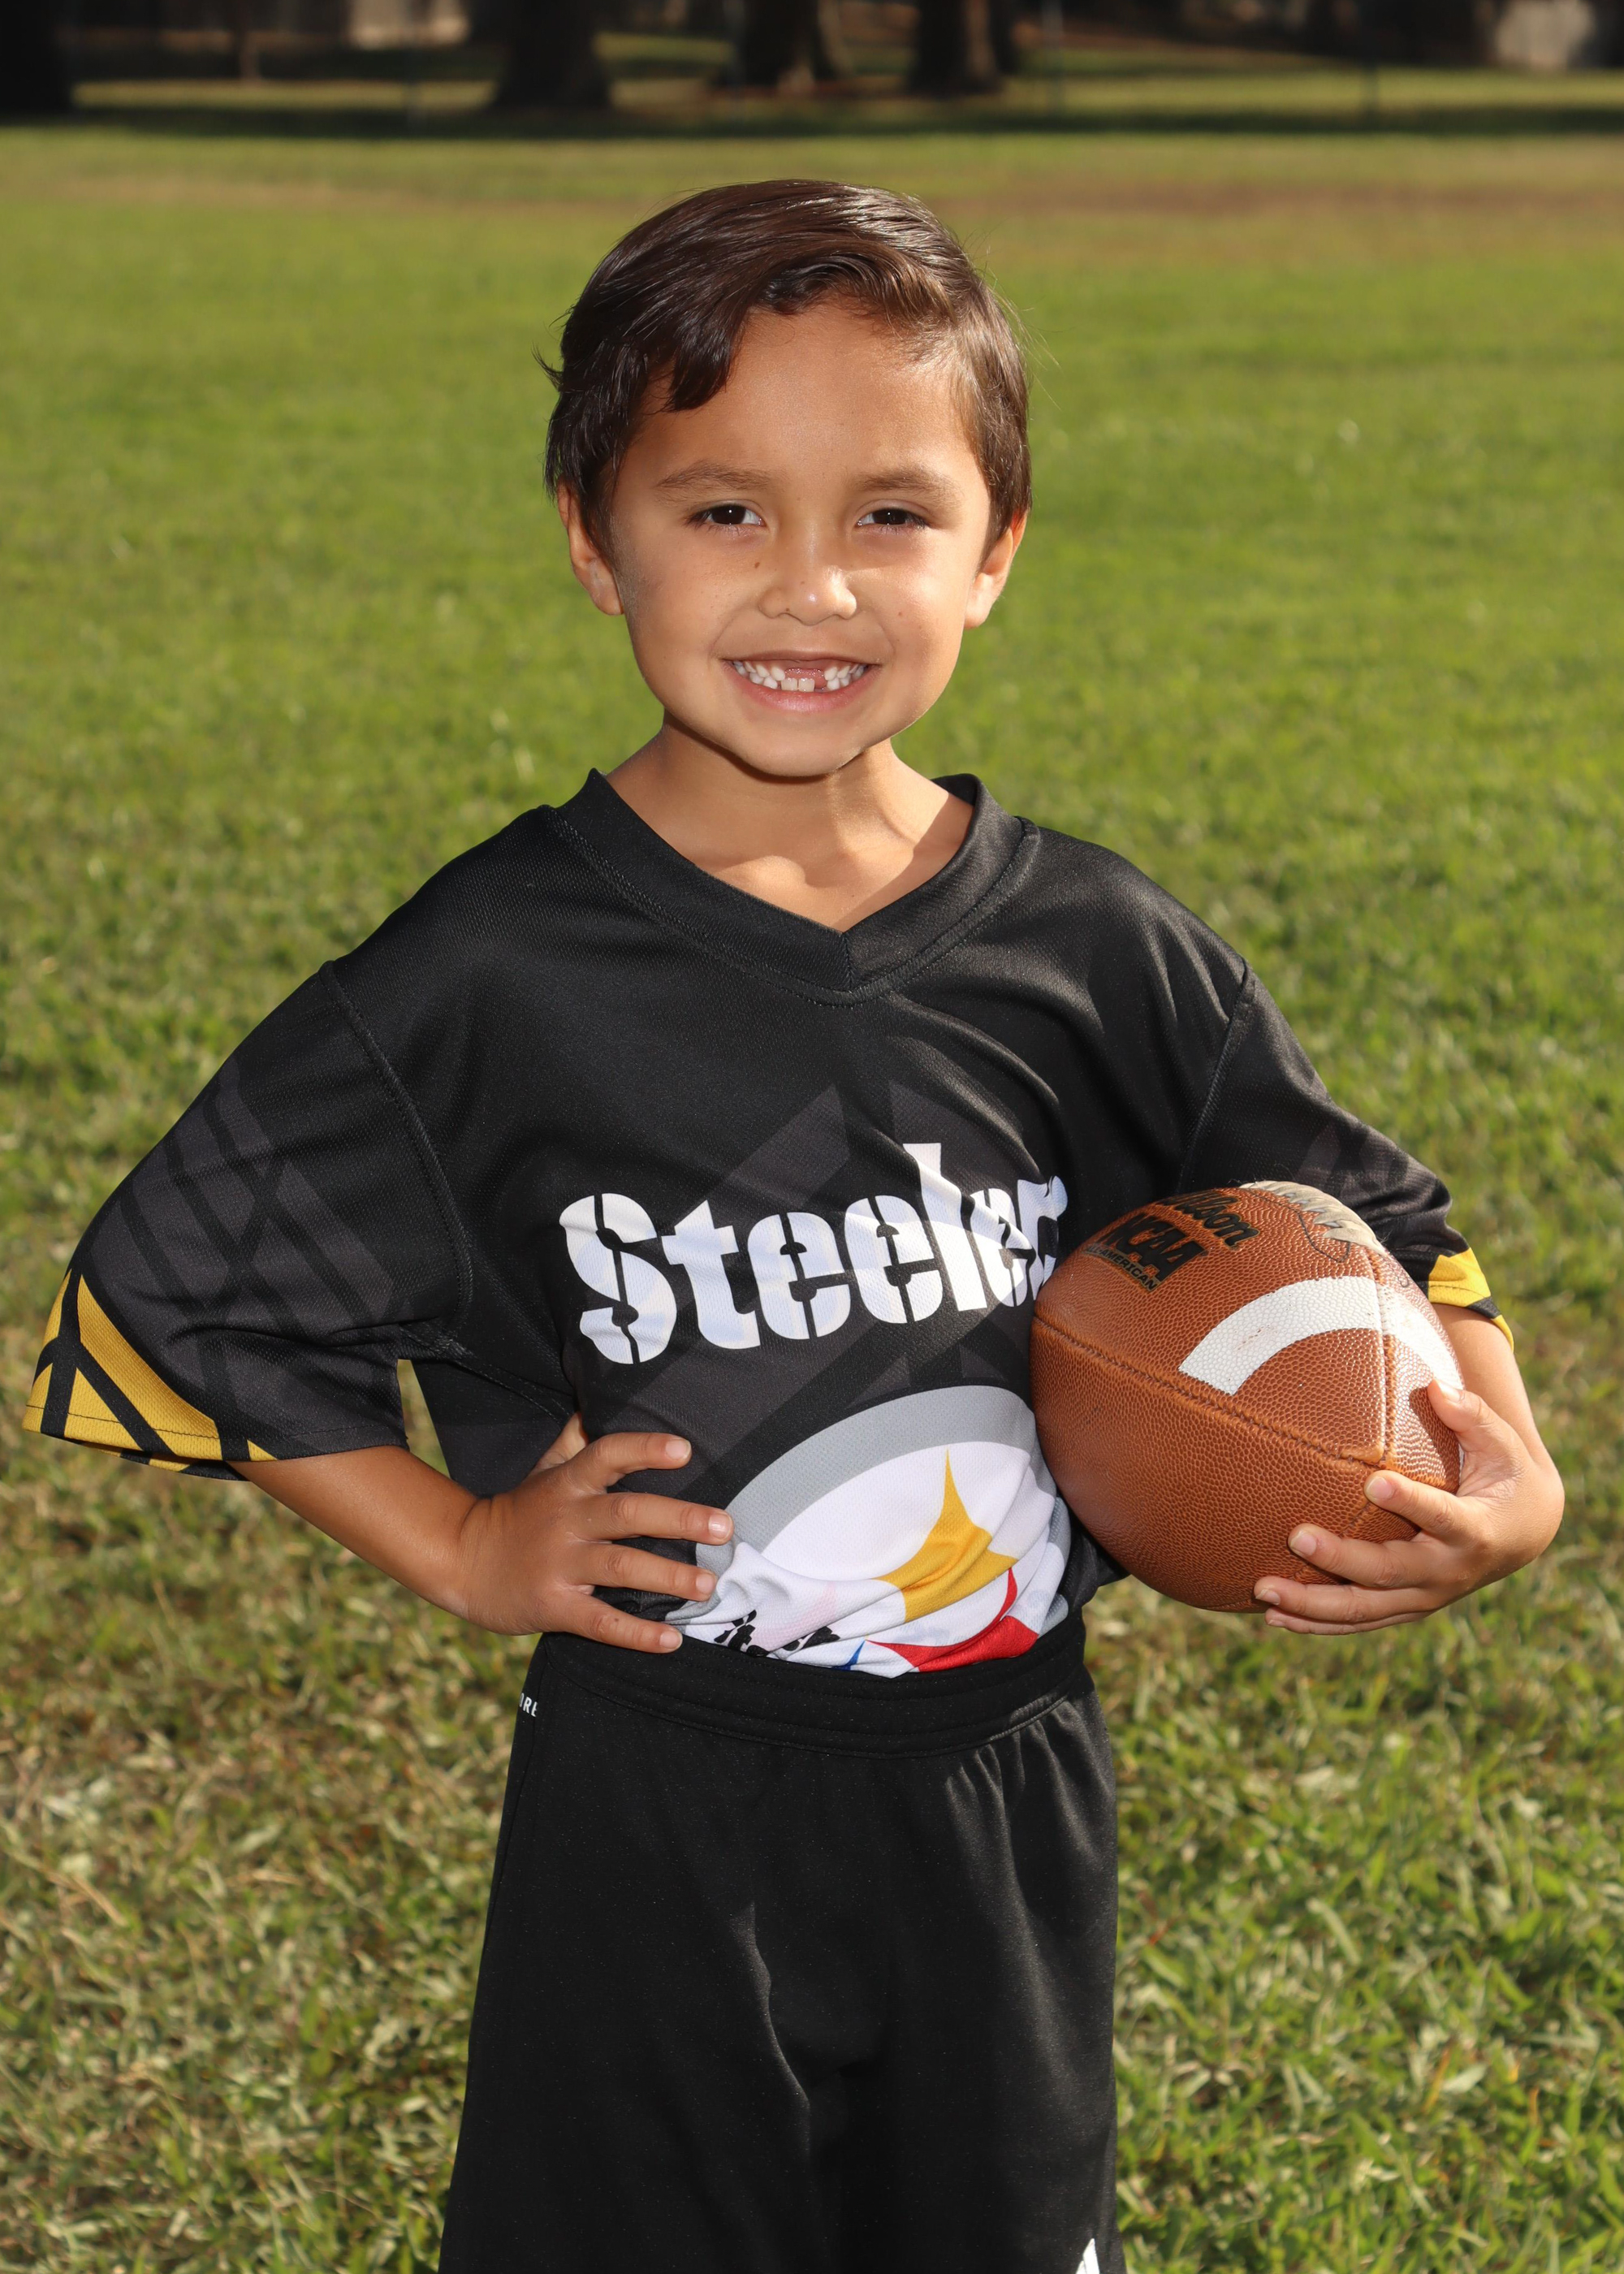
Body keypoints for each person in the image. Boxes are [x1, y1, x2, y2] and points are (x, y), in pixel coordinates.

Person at [24, 181, 1562, 2274]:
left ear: (997, 551)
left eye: (894, 514)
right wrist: (464, 1546)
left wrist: (1508, 1469)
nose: (811, 583)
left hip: (1007, 1779)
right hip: (662, 1797)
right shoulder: (498, 969)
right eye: (725, 509)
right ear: (595, 536)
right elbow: (176, 1294)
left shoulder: (1093, 949)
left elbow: (1366, 1214)